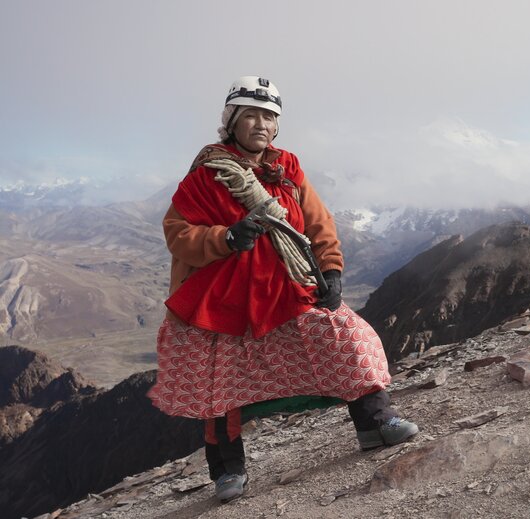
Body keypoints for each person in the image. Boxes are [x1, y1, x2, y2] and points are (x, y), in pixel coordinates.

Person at [147, 76, 417, 503]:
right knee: (221, 381)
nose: (261, 124)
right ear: (232, 122)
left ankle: (376, 422)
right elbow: (178, 233)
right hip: (223, 297)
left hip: (287, 284)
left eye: (269, 117)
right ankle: (227, 470)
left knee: (346, 336)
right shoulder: (206, 176)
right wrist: (225, 237)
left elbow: (317, 221)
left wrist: (331, 268)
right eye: (251, 115)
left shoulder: (287, 168)